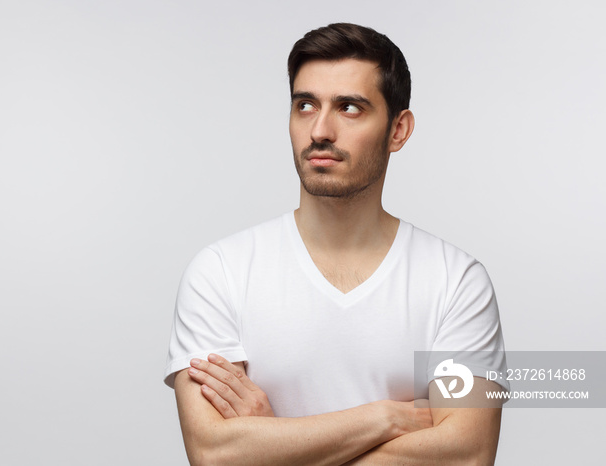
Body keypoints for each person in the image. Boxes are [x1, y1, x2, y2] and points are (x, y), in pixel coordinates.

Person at [164, 23, 507, 465]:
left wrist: (274, 442)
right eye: (305, 105)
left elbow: (467, 455)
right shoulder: (220, 272)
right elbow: (215, 454)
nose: (320, 130)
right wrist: (384, 418)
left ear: (398, 130)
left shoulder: (455, 281)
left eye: (349, 107)